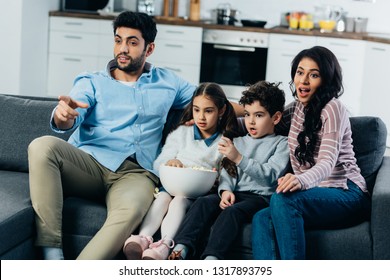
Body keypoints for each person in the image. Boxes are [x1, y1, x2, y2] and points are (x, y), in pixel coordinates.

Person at [27, 11, 199, 260]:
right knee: (41, 146)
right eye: (118, 40)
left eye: (132, 42)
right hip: (89, 165)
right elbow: (73, 109)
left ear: (149, 49)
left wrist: (252, 110)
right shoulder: (92, 81)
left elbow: (210, 101)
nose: (123, 48)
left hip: (137, 174)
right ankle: (52, 255)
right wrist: (63, 116)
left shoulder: (168, 81)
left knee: (130, 212)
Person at [251, 46, 371, 260]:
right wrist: (218, 115)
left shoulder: (333, 108)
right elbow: (263, 121)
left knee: (283, 199)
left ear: (325, 80)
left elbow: (327, 162)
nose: (303, 81)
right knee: (261, 219)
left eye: (313, 75)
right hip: (317, 195)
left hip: (347, 193)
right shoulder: (296, 108)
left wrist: (299, 180)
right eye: (300, 72)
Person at [168, 80, 290, 260]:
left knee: (232, 212)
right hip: (236, 193)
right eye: (247, 115)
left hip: (261, 198)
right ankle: (181, 247)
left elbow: (270, 176)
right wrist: (225, 190)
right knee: (203, 203)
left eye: (259, 115)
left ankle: (212, 258)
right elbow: (228, 170)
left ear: (276, 117)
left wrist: (239, 158)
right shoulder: (239, 141)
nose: (251, 122)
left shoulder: (282, 143)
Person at [122, 82, 239, 260]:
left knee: (179, 201)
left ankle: (164, 244)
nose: (201, 117)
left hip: (196, 193)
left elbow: (227, 172)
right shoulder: (181, 132)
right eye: (197, 110)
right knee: (162, 198)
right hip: (171, 184)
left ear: (221, 111)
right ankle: (143, 238)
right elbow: (159, 162)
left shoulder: (224, 141)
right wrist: (171, 161)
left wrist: (218, 181)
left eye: (209, 111)